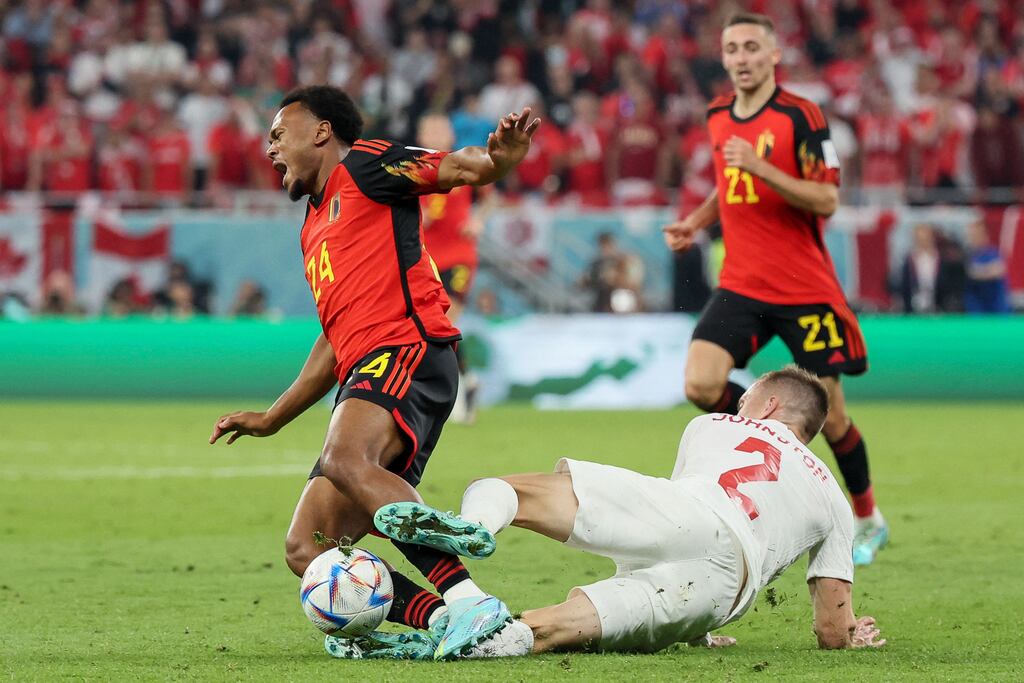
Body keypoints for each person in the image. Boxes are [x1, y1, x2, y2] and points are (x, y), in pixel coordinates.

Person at [208, 85, 541, 656]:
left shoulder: (367, 165)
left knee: (345, 459)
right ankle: (445, 619)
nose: (270, 148)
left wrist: (500, 160)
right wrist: (272, 418)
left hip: (408, 348)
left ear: (321, 131)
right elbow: (332, 340)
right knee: (308, 547)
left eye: (279, 134)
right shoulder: (312, 227)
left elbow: (459, 166)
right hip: (366, 368)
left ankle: (470, 600)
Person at [372, 367, 886, 658]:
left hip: (685, 512)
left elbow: (674, 531)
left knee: (503, 489)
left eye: (746, 398)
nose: (739, 406)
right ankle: (492, 640)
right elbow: (830, 630)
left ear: (768, 404)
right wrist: (850, 635)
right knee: (544, 634)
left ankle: (477, 525)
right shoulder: (832, 496)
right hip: (718, 594)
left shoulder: (711, 425)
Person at [661, 12, 887, 565]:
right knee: (700, 382)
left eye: (751, 47)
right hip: (742, 282)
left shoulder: (801, 115)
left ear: (773, 55)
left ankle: (868, 517)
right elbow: (728, 184)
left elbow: (826, 199)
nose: (741, 58)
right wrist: (697, 222)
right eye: (732, 48)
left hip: (803, 287)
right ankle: (770, 435)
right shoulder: (718, 115)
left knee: (832, 417)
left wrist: (762, 167)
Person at [417, 112, 492, 423]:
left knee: (443, 322)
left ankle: (453, 393)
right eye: (430, 128)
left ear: (451, 135)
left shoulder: (463, 163)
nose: (436, 134)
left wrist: (478, 220)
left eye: (441, 128)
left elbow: (489, 197)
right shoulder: (414, 170)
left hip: (459, 256)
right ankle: (467, 382)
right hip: (426, 260)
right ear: (420, 136)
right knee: (435, 328)